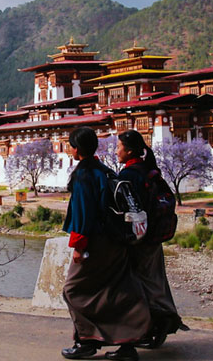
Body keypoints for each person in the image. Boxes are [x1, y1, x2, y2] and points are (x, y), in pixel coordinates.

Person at [61, 127, 151, 361]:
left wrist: (79, 246)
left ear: (77, 149)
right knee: (116, 291)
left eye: (70, 145)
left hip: (97, 244)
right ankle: (127, 344)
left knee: (73, 290)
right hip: (117, 241)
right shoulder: (105, 170)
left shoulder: (84, 174)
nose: (69, 149)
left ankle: (87, 340)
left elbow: (83, 213)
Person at [116, 130, 185, 348]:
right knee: (156, 281)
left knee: (137, 284)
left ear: (128, 151)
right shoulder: (150, 170)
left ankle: (153, 326)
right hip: (154, 237)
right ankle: (162, 321)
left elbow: (127, 209)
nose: (116, 151)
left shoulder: (129, 175)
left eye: (118, 147)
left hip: (139, 240)